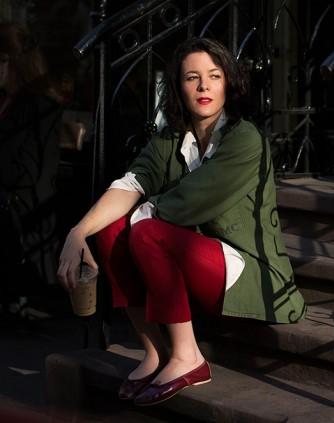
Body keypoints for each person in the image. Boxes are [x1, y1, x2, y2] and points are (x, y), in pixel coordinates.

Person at [57, 37, 306, 406]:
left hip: (247, 269)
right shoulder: (173, 137)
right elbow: (132, 183)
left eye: (214, 76)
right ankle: (156, 351)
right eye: (192, 77)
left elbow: (191, 201)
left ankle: (188, 357)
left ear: (228, 83)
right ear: (178, 86)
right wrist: (78, 232)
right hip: (189, 259)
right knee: (110, 230)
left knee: (145, 231)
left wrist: (138, 219)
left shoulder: (246, 138)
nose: (204, 86)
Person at [0, 22, 63, 311]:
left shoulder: (38, 106)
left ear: (14, 64)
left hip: (24, 208)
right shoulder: (9, 101)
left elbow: (29, 171)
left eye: (2, 60)